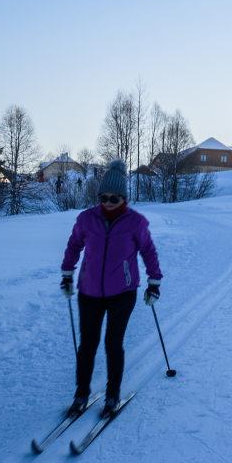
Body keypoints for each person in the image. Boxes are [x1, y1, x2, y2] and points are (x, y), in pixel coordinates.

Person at [60, 159, 163, 417]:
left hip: (123, 293)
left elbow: (148, 252)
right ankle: (81, 394)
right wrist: (67, 274)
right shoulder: (87, 219)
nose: (107, 202)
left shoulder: (136, 222)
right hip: (89, 292)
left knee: (113, 343)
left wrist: (154, 282)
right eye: (103, 197)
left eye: (113, 198)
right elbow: (74, 245)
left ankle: (112, 395)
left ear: (123, 198)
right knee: (88, 344)